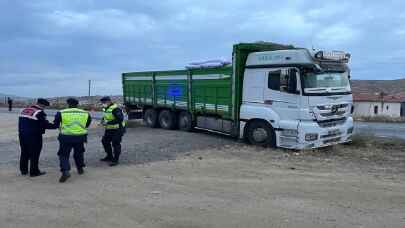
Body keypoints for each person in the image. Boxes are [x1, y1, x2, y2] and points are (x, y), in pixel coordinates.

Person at [53, 98, 92, 183]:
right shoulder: (85, 113)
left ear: (68, 104)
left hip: (66, 137)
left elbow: (55, 124)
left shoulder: (62, 112)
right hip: (80, 137)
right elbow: (87, 124)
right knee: (79, 153)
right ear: (77, 104)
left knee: (63, 155)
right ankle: (80, 168)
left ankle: (65, 171)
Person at [18, 98, 55, 177]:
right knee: (34, 154)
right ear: (41, 105)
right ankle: (34, 172)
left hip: (22, 135)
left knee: (24, 152)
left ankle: (23, 170)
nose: (44, 108)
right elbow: (45, 124)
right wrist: (55, 125)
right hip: (34, 136)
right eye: (44, 106)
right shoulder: (39, 112)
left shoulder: (24, 110)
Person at [99, 96, 125, 166]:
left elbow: (120, 119)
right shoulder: (106, 108)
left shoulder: (115, 109)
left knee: (115, 143)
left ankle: (115, 160)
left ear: (109, 101)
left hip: (118, 129)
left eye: (104, 102)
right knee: (105, 141)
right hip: (109, 129)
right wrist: (102, 120)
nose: (103, 104)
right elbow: (106, 116)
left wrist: (107, 123)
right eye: (102, 103)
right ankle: (109, 156)